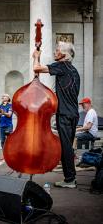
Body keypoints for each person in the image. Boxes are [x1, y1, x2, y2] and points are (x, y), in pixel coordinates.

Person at [33, 41, 80, 188]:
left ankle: (70, 180)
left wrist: (36, 56)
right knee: (67, 147)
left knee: (65, 147)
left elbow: (36, 68)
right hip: (73, 114)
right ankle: (70, 178)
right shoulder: (74, 71)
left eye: (57, 50)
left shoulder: (61, 66)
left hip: (64, 115)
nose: (54, 52)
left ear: (63, 55)